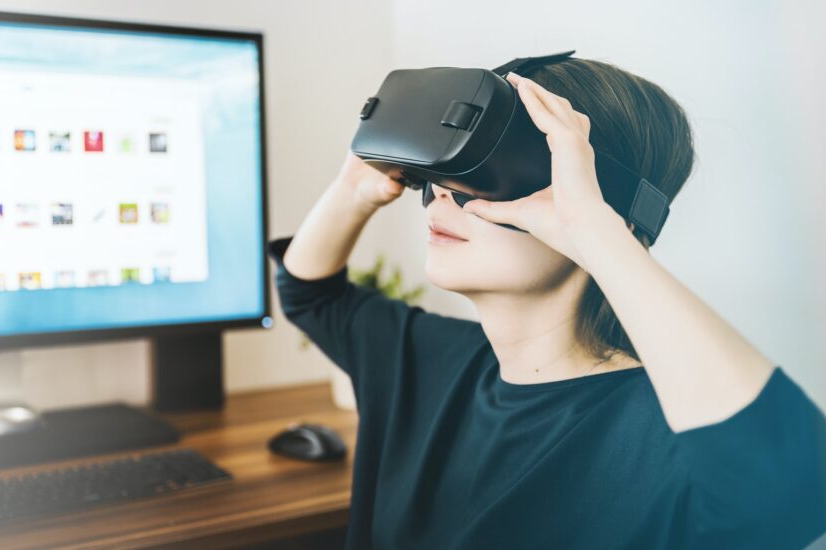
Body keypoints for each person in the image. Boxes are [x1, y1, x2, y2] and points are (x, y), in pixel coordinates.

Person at [266, 58, 826, 549]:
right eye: (444, 171)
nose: (442, 193)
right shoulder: (428, 361)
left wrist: (597, 232)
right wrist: (354, 188)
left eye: (484, 174)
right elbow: (310, 295)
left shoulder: (662, 436)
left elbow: (794, 489)